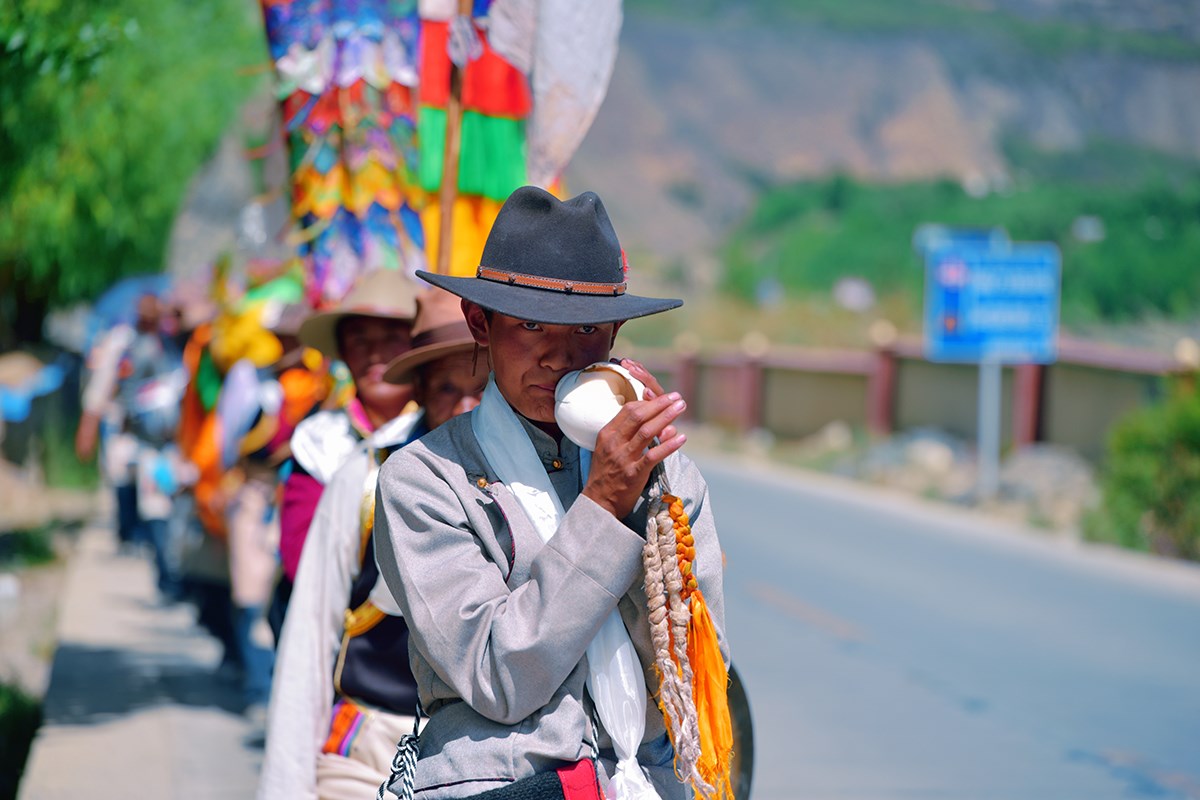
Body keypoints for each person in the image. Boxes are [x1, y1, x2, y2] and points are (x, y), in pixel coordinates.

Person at [373, 186, 729, 800]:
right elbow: (498, 677)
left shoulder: (668, 478)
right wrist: (602, 508)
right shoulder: (426, 480)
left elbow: (692, 667)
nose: (559, 355)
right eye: (530, 324)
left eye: (587, 328)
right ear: (479, 323)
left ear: (616, 333)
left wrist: (644, 496)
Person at [258, 287, 486, 799]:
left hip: (488, 755)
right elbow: (310, 634)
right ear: (421, 388)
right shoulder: (360, 476)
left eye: (485, 388)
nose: (468, 407)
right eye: (448, 388)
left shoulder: (535, 485)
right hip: (372, 741)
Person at [271, 269, 419, 639]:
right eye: (359, 339)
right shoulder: (320, 438)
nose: (375, 353)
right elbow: (301, 553)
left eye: (392, 338)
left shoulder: (444, 429)